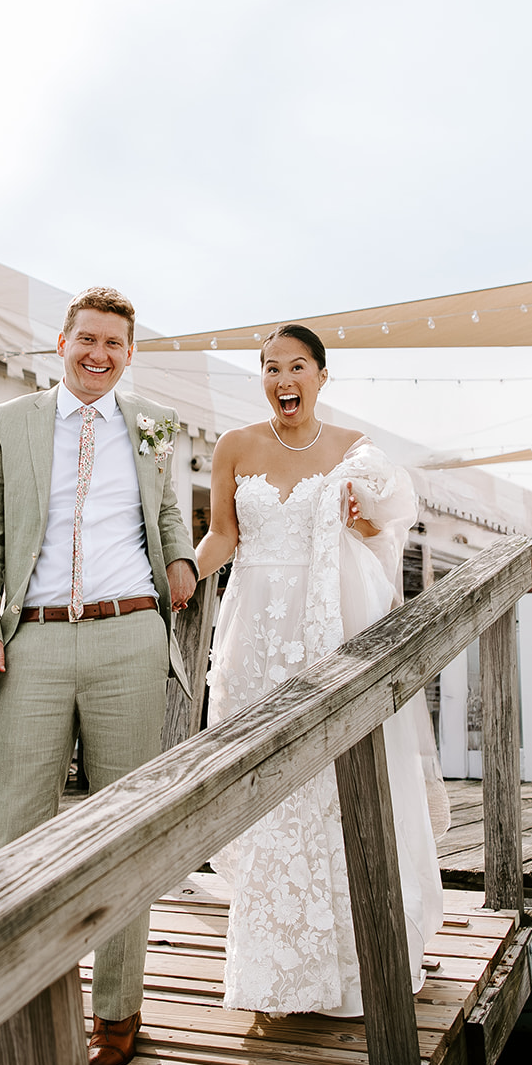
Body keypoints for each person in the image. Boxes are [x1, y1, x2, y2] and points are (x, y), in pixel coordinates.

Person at [0, 286, 197, 1065]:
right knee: (13, 837)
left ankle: (118, 1012)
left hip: (130, 634)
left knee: (124, 828)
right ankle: (0, 1023)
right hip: (35, 641)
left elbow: (164, 517)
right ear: (60, 342)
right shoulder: (8, 424)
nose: (99, 355)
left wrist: (182, 560)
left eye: (114, 345)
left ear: (129, 355)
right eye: (86, 340)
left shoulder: (153, 429)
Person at [194, 323, 447, 1016]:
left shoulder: (353, 453)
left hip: (329, 629)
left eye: (296, 366)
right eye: (270, 368)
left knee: (338, 779)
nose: (283, 379)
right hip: (253, 633)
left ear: (321, 376)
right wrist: (187, 569)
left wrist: (363, 517)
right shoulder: (234, 446)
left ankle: (352, 955)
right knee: (267, 780)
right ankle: (276, 968)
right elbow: (224, 534)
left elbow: (383, 527)